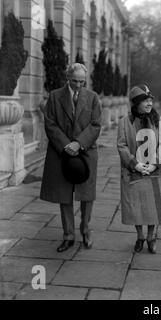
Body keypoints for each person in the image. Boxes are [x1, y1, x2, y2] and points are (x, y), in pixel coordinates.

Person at [40, 63, 102, 252]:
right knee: (64, 195)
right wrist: (67, 145)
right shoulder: (55, 96)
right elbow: (50, 124)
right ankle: (68, 235)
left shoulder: (92, 98)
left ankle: (85, 230)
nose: (78, 85)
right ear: (67, 78)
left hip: (86, 152)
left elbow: (96, 125)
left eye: (82, 82)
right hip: (61, 153)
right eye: (74, 81)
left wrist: (78, 143)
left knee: (87, 195)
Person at [117, 84, 161, 254]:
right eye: (145, 100)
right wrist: (135, 164)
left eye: (150, 99)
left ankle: (151, 236)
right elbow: (122, 145)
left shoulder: (158, 120)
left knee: (153, 206)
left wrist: (154, 164)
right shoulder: (125, 122)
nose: (149, 103)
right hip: (133, 171)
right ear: (136, 103)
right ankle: (140, 236)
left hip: (154, 171)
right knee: (135, 206)